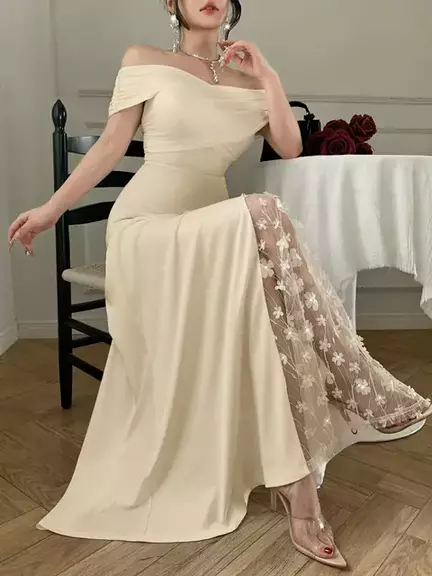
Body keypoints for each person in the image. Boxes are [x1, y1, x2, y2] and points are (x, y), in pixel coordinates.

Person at [8, 0, 432, 568]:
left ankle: (296, 481)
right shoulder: (144, 59)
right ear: (172, 3)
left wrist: (269, 76)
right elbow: (110, 148)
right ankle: (352, 387)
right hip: (148, 231)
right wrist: (50, 210)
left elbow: (290, 146)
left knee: (261, 289)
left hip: (213, 232)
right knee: (262, 213)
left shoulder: (250, 80)